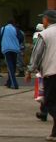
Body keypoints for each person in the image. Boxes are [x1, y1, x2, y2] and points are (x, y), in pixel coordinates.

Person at [27, 10, 56, 140]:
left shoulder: (44, 34)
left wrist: (30, 70)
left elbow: (37, 54)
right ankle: (54, 133)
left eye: (43, 19)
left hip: (52, 73)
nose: (42, 21)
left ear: (47, 20)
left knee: (49, 103)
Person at [1, 18, 24, 89]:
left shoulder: (3, 29)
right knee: (13, 67)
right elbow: (21, 38)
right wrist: (16, 43)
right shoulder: (16, 29)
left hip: (6, 49)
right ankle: (9, 82)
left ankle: (14, 84)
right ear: (13, 23)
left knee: (10, 66)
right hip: (15, 49)